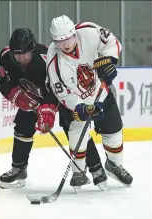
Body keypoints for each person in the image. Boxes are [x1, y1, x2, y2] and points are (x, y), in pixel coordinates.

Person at [0, 28, 108, 191]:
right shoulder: (6, 57)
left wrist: (47, 110)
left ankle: (96, 168)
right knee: (22, 124)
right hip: (32, 97)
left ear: (32, 49)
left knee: (74, 127)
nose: (20, 58)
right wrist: (15, 94)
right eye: (17, 54)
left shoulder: (47, 58)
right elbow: (3, 81)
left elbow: (59, 88)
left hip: (61, 95)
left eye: (25, 53)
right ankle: (19, 169)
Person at [46, 15, 133, 189]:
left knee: (114, 131)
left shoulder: (88, 31)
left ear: (73, 32)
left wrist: (109, 61)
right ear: (55, 41)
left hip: (100, 91)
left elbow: (112, 42)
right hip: (77, 101)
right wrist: (80, 106)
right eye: (60, 41)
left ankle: (114, 166)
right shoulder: (54, 60)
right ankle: (79, 171)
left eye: (68, 38)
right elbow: (62, 94)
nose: (66, 44)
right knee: (77, 132)